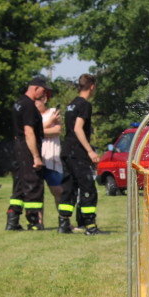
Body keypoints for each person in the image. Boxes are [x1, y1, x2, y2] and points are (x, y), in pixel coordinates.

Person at [58, 74, 102, 235]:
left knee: (69, 188)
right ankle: (89, 226)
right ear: (92, 86)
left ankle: (63, 223)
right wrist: (90, 151)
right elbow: (78, 128)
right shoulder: (85, 105)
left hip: (66, 151)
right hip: (78, 153)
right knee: (88, 188)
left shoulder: (71, 105)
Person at [6, 75, 52, 230]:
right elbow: (29, 131)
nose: (44, 95)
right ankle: (33, 222)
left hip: (18, 146)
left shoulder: (18, 104)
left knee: (19, 183)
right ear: (36, 88)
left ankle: (12, 220)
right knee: (33, 183)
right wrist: (37, 157)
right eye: (43, 91)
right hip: (27, 147)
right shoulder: (29, 106)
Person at [37, 92, 64, 213]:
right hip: (37, 158)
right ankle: (39, 223)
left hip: (52, 158)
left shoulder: (53, 112)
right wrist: (49, 124)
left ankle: (64, 221)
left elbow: (57, 130)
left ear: (45, 99)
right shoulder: (32, 115)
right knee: (37, 194)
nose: (35, 103)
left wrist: (38, 131)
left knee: (58, 191)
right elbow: (30, 132)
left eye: (38, 100)